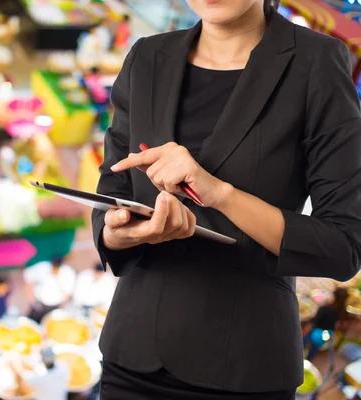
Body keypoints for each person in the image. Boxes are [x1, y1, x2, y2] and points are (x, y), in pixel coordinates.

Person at [92, 0, 361, 395]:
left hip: (245, 365)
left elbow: (343, 245)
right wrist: (118, 234)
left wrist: (218, 193)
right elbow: (112, 191)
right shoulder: (148, 55)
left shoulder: (317, 62)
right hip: (134, 355)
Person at [304, 288, 351, 361]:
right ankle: (308, 360)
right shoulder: (343, 311)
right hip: (326, 333)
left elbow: (314, 321)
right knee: (314, 349)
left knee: (303, 344)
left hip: (316, 331)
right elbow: (340, 324)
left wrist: (307, 328)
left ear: (334, 296)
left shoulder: (325, 308)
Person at [24, 256, 75, 323]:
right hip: (39, 304)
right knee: (31, 323)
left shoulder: (68, 273)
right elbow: (28, 277)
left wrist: (63, 306)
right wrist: (31, 298)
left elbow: (68, 293)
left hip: (56, 305)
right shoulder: (42, 267)